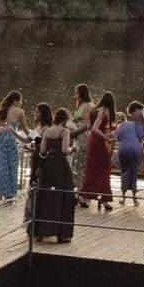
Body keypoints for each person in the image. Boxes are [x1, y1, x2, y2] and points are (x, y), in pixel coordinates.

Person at [33, 104, 77, 243]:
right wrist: (72, 149)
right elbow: (64, 150)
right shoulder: (64, 131)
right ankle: (61, 234)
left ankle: (41, 231)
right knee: (63, 195)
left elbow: (42, 151)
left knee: (46, 196)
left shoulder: (47, 131)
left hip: (48, 166)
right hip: (60, 166)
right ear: (65, 119)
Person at [81, 92, 117, 210]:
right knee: (104, 168)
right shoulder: (103, 111)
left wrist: (106, 133)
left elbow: (95, 127)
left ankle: (87, 196)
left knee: (93, 168)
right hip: (98, 141)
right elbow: (95, 129)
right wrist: (108, 139)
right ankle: (102, 198)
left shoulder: (95, 109)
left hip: (93, 141)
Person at [0, 92, 27, 203]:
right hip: (11, 140)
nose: (21, 103)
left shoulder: (2, 109)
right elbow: (25, 129)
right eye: (20, 101)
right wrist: (33, 135)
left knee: (1, 166)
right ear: (15, 101)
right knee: (12, 166)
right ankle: (10, 194)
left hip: (1, 139)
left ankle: (2, 191)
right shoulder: (20, 112)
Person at [115, 102, 144, 205]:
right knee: (133, 173)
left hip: (124, 150)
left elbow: (118, 138)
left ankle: (123, 198)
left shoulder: (120, 126)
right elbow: (142, 136)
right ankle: (134, 199)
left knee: (124, 172)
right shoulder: (137, 125)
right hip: (135, 150)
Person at [69, 84, 94, 187]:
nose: (76, 95)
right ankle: (76, 187)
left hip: (83, 136)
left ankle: (81, 190)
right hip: (78, 137)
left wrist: (75, 132)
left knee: (81, 162)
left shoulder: (88, 105)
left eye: (77, 93)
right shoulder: (81, 105)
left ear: (81, 93)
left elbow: (87, 124)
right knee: (76, 162)